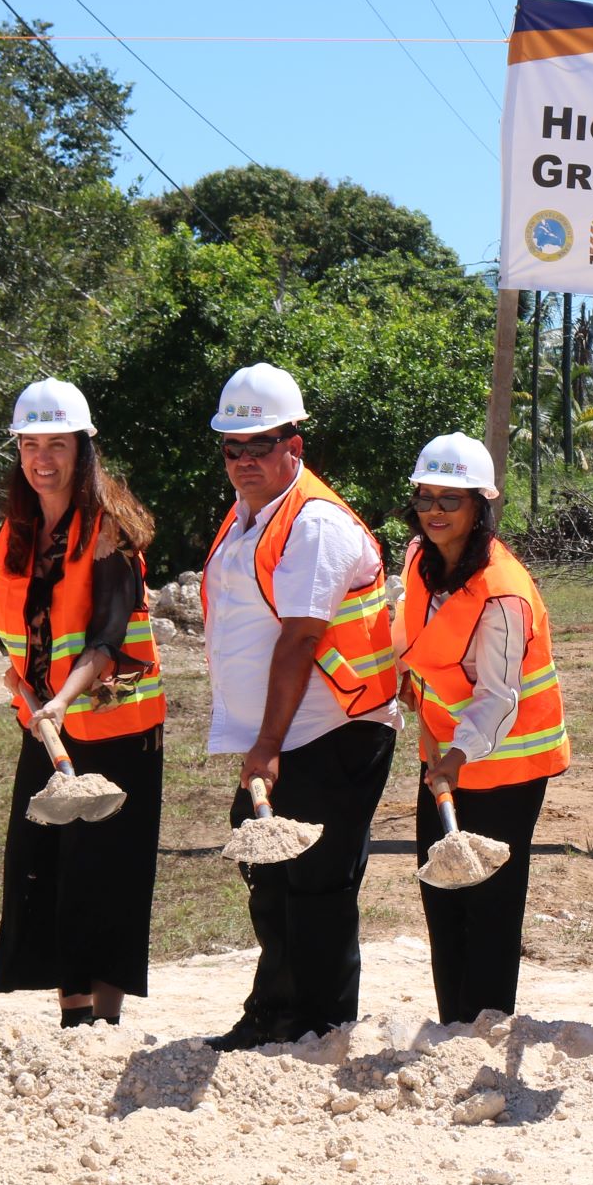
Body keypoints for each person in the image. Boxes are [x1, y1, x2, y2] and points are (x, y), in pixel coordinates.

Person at [199, 363, 400, 1050]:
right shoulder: (251, 513)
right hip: (287, 730)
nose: (245, 459)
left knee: (314, 882)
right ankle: (277, 1012)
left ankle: (316, 1024)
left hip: (331, 728)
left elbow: (300, 638)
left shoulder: (313, 523)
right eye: (234, 447)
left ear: (295, 445)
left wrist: (266, 746)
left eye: (261, 445)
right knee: (270, 874)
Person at [0, 379, 166, 1029]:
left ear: (82, 449)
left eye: (55, 444)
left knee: (105, 878)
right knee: (45, 871)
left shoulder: (108, 533)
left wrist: (57, 700)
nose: (41, 458)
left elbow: (106, 641)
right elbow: (11, 634)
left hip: (118, 732)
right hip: (49, 730)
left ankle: (102, 1028)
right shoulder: (17, 533)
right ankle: (73, 1020)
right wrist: (28, 694)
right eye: (30, 444)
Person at [396, 432, 570, 1024]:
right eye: (426, 498)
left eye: (452, 499)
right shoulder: (420, 562)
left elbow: (498, 695)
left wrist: (456, 758)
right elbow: (418, 636)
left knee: (490, 902)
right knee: (443, 890)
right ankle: (453, 1024)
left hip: (507, 764)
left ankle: (486, 1025)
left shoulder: (502, 592)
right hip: (447, 757)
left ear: (480, 506)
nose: (436, 511)